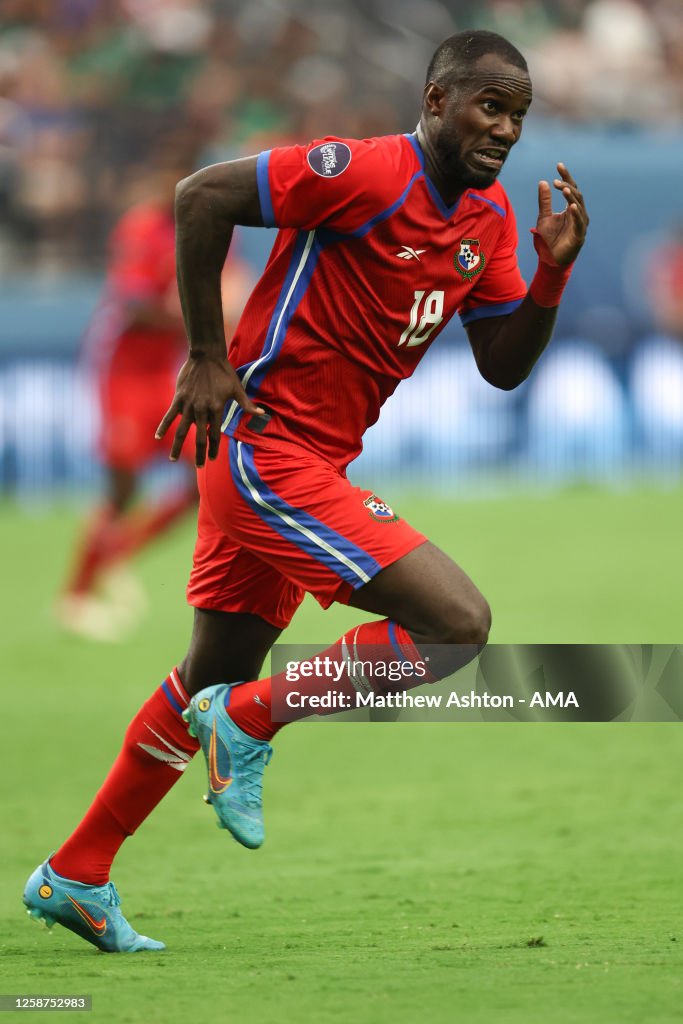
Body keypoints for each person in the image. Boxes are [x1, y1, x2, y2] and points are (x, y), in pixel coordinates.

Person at [24, 30, 588, 952]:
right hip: (264, 448)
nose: (505, 129)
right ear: (436, 100)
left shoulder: (486, 221)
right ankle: (250, 720)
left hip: (310, 464)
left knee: (208, 676)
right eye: (490, 106)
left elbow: (500, 365)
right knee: (454, 626)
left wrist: (552, 273)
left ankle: (76, 872)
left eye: (518, 115)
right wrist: (206, 354)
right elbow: (201, 196)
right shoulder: (363, 172)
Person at [55, 162, 254, 641]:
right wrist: (203, 316)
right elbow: (135, 306)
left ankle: (116, 554)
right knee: (123, 486)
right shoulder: (141, 228)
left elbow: (230, 286)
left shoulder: (217, 227)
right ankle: (75, 597)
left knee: (201, 473)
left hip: (169, 371)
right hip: (122, 369)